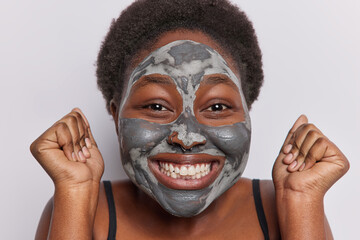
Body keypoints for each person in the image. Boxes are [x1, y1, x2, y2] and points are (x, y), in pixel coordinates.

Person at [30, 0, 349, 239]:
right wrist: (73, 189)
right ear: (116, 116)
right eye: (156, 106)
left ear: (248, 112)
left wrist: (301, 201)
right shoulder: (82, 207)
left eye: (218, 107)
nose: (186, 136)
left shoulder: (286, 205)